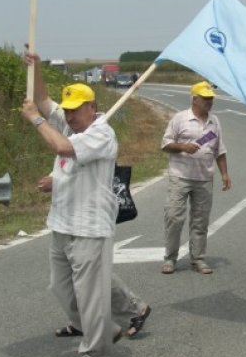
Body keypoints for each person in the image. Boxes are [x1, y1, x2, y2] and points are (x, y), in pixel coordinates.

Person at [22, 54, 122, 357]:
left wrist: (36, 120)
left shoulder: (102, 133)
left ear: (92, 107)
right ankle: (104, 330)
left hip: (89, 227)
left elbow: (64, 148)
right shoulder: (69, 122)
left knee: (90, 297)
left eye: (76, 109)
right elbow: (41, 100)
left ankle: (95, 356)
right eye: (67, 109)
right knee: (61, 288)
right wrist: (35, 67)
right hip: (62, 222)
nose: (69, 114)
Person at [36, 174, 152, 338]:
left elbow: (95, 174)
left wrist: (58, 183)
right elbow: (66, 165)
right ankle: (83, 324)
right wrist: (53, 177)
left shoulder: (92, 148)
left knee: (92, 276)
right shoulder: (67, 150)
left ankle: (129, 313)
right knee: (62, 283)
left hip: (86, 222)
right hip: (62, 221)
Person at [161, 81, 231, 275]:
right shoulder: (180, 119)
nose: (209, 102)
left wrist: (224, 173)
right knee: (174, 217)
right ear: (194, 99)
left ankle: (198, 259)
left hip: (204, 177)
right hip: (180, 176)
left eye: (211, 99)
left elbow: (220, 150)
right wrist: (183, 147)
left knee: (200, 220)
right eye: (205, 99)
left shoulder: (215, 122)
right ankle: (170, 258)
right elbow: (165, 143)